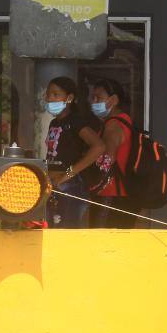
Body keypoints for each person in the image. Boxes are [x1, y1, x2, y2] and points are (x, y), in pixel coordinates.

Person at [44, 77, 106, 228]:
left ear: (69, 98)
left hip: (71, 187)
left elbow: (99, 146)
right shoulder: (54, 122)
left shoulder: (76, 122)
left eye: (55, 94)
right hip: (53, 185)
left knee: (68, 235)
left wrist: (69, 174)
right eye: (48, 94)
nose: (50, 98)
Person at [88, 77, 138, 228]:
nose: (93, 102)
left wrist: (91, 184)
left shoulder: (113, 124)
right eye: (93, 98)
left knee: (103, 244)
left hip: (111, 195)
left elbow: (107, 160)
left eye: (98, 98)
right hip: (123, 194)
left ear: (114, 99)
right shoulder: (125, 120)